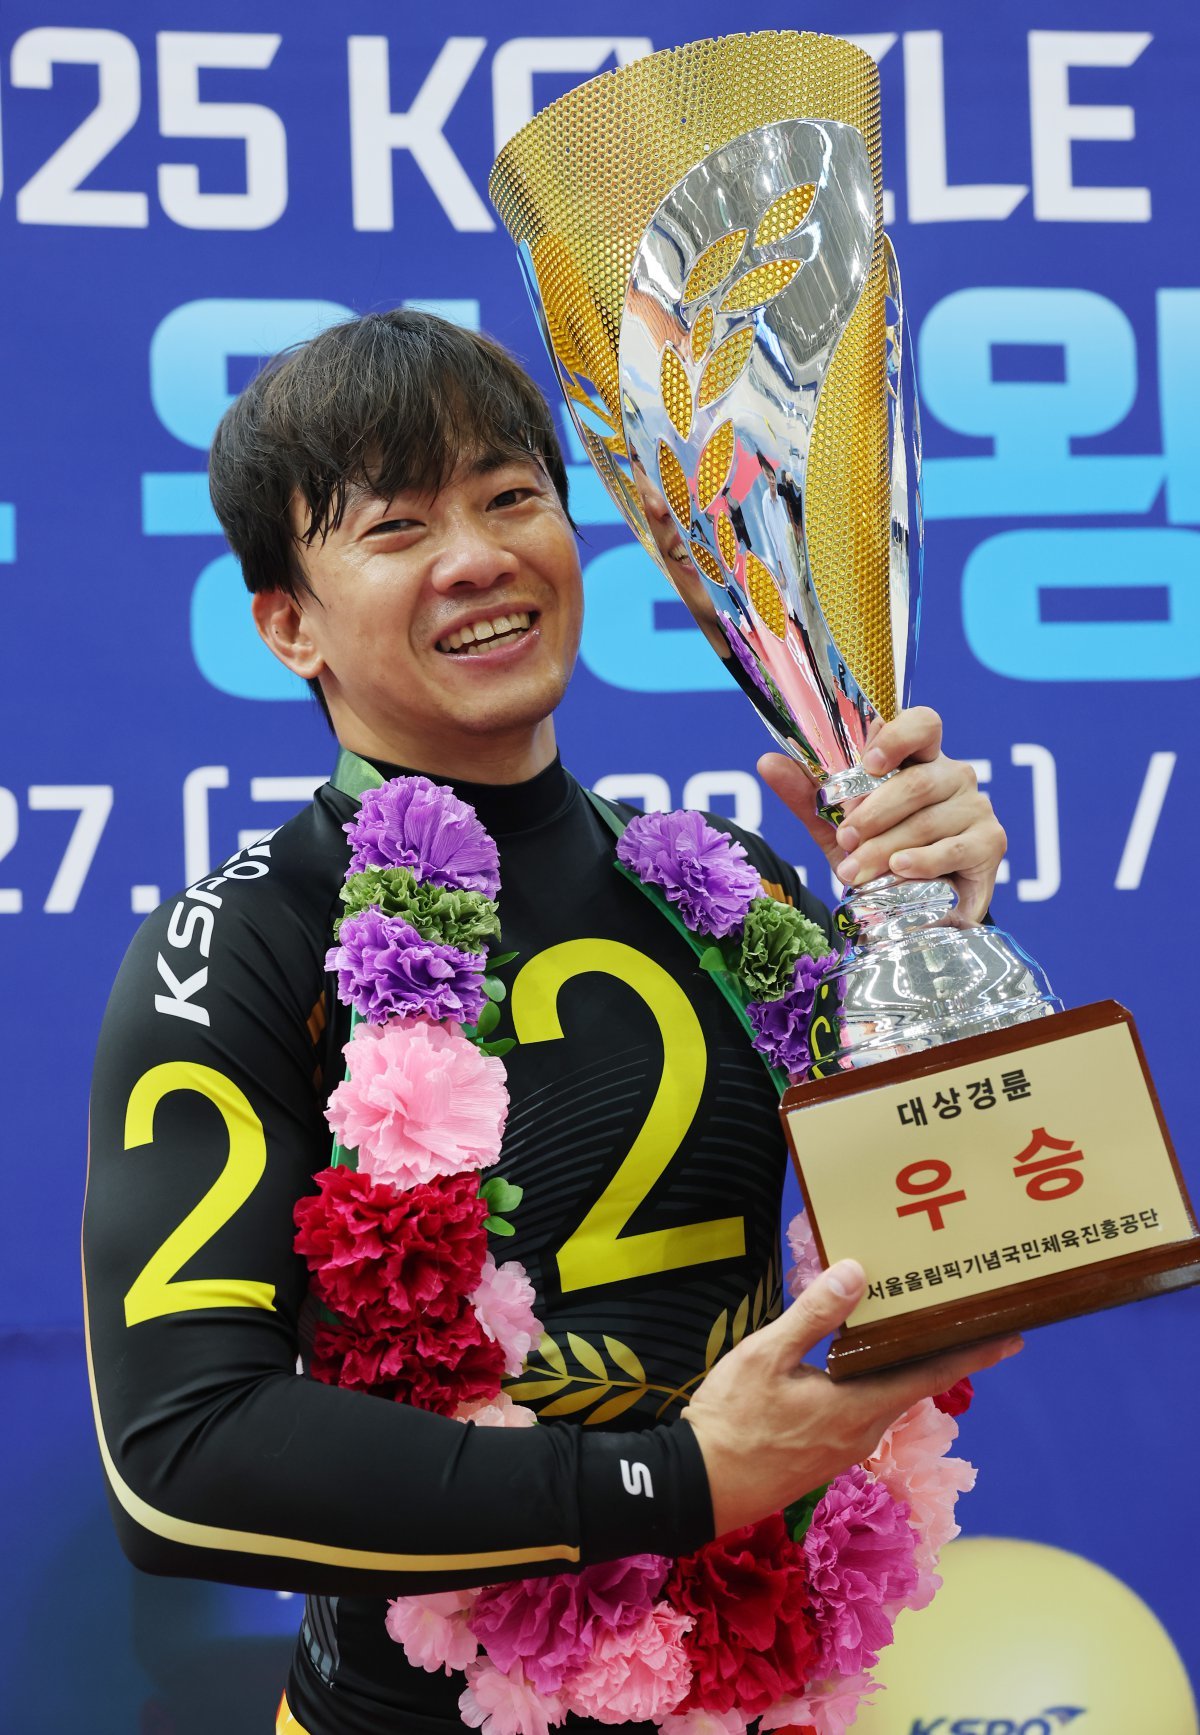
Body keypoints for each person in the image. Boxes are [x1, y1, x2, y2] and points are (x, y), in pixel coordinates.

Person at [83, 309, 1017, 1735]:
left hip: (758, 1696)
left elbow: (991, 1243)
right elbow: (181, 1458)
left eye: (512, 496)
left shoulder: (731, 892)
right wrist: (677, 1482)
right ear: (288, 625)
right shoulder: (247, 944)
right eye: (396, 527)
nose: (477, 557)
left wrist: (931, 938)